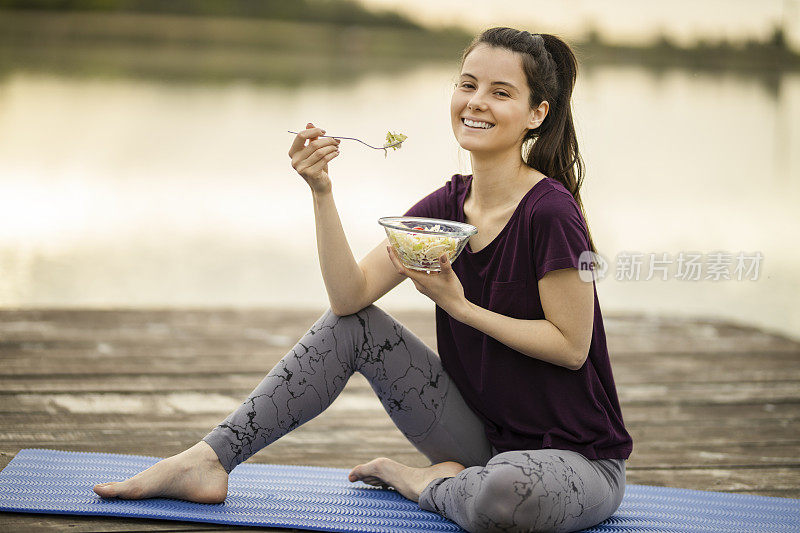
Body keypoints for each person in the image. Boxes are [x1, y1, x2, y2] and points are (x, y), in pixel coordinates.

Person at [93, 26, 632, 533]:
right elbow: (349, 297)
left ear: (537, 113)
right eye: (467, 85)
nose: (476, 102)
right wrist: (322, 193)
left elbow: (571, 347)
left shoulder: (551, 212)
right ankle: (206, 461)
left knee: (504, 498)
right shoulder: (446, 207)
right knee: (355, 327)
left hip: (576, 459)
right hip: (483, 441)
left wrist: (461, 307)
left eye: (500, 91)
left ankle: (426, 481)